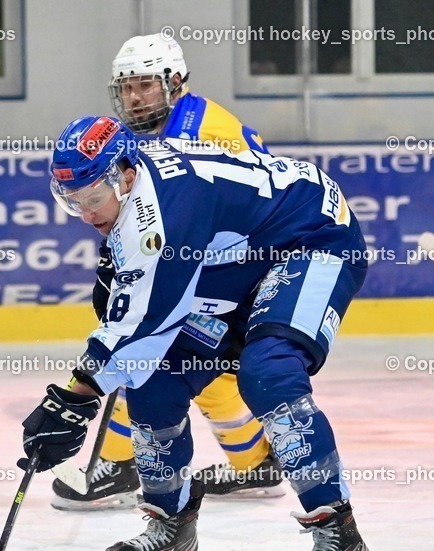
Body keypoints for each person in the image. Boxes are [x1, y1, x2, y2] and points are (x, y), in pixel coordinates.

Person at [22, 115, 381, 551]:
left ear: (124, 175)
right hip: (237, 254)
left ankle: (338, 532)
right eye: (72, 202)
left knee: (269, 372)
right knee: (153, 385)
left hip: (312, 239)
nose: (84, 214)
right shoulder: (133, 201)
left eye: (91, 198)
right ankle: (170, 524)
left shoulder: (163, 215)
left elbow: (146, 320)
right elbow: (136, 324)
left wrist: (73, 399)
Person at [51, 34, 282, 511]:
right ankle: (253, 461)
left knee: (151, 349)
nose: (134, 98)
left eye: (145, 86)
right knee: (184, 362)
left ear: (174, 83)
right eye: (127, 88)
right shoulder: (165, 126)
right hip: (220, 260)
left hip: (245, 263)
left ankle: (119, 464)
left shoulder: (201, 132)